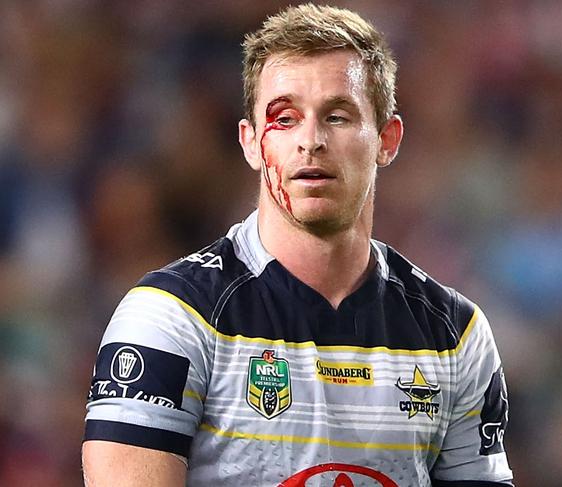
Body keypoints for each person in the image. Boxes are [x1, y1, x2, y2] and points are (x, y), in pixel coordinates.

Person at [82, 4, 514, 486]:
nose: (311, 140)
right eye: (284, 119)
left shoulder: (454, 336)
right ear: (249, 143)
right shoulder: (172, 317)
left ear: (386, 140)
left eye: (338, 116)